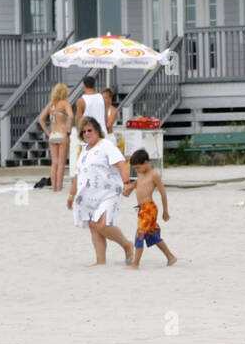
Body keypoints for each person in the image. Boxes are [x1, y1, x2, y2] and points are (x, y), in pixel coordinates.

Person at [66, 117, 134, 266]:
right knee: (93, 226)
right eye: (84, 132)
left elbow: (121, 164)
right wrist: (71, 194)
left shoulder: (106, 145)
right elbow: (79, 174)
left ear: (97, 131)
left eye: (89, 130)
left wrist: (127, 183)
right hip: (89, 195)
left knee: (103, 225)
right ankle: (100, 261)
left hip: (110, 192)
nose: (87, 134)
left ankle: (127, 245)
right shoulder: (84, 151)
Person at [123, 149, 177, 268]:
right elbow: (138, 183)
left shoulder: (154, 175)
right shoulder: (141, 173)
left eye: (138, 167)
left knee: (140, 234)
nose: (137, 170)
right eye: (135, 168)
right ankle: (170, 257)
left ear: (146, 163)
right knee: (153, 235)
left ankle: (135, 264)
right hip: (142, 209)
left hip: (149, 209)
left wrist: (165, 211)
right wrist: (130, 188)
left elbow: (163, 193)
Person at [37, 82, 72, 192]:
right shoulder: (65, 103)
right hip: (62, 134)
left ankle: (54, 188)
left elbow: (41, 119)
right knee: (61, 163)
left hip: (53, 134)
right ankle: (59, 186)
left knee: (54, 163)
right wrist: (69, 129)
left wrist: (48, 132)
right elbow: (71, 116)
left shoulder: (51, 104)